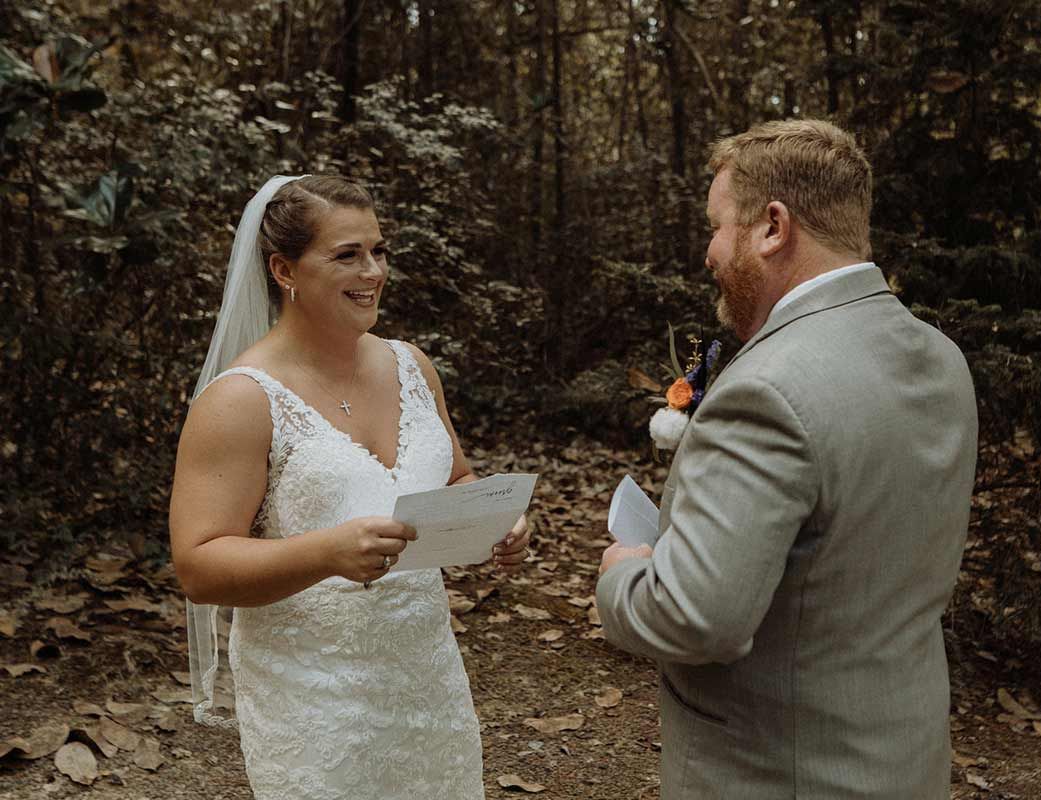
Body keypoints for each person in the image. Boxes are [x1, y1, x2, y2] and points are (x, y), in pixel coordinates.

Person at [596, 120, 978, 799]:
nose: (710, 251)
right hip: (904, 763)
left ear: (773, 227)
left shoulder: (766, 388)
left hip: (779, 775)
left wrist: (623, 576)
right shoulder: (939, 357)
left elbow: (694, 616)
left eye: (717, 226)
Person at [169, 175, 530, 799]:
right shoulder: (240, 400)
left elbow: (457, 477)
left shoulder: (411, 366)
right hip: (313, 694)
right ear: (284, 269)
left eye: (379, 250)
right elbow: (199, 565)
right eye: (347, 255)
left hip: (427, 675)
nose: (374, 271)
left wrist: (496, 521)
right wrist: (325, 553)